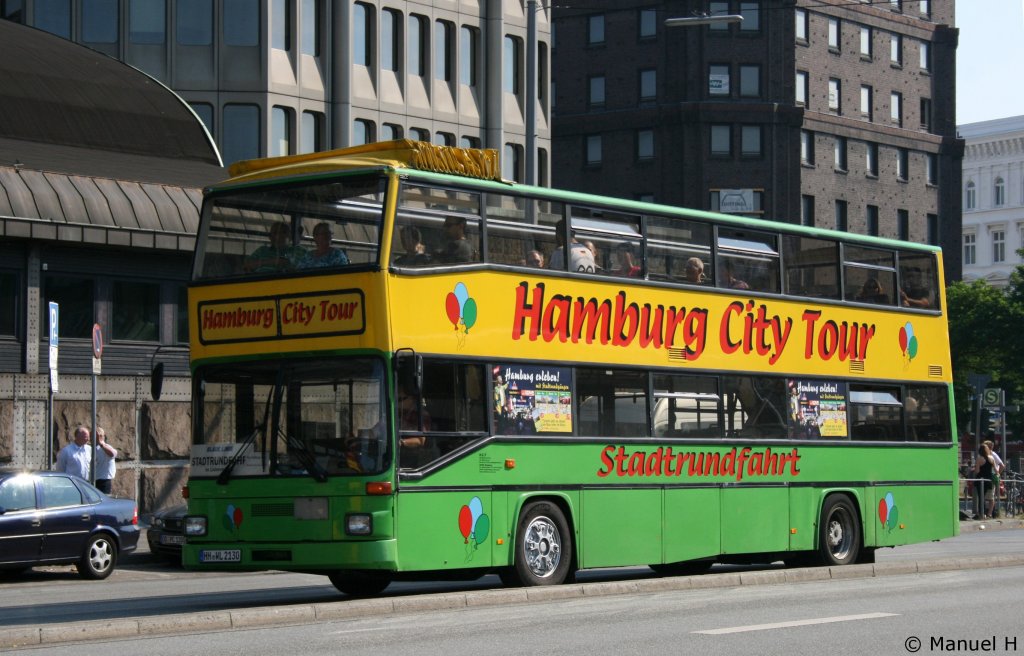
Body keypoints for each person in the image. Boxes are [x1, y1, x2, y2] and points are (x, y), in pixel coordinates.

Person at [972, 442, 997, 519]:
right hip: (988, 480)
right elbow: (996, 470)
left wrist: (974, 469)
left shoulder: (979, 459)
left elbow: (977, 471)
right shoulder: (992, 458)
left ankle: (982, 514)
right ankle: (988, 513)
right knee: (989, 498)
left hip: (980, 480)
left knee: (981, 497)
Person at [93, 426, 117, 494]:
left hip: (104, 481)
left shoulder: (106, 447)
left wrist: (101, 444)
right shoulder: (92, 448)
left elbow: (112, 454)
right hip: (93, 481)